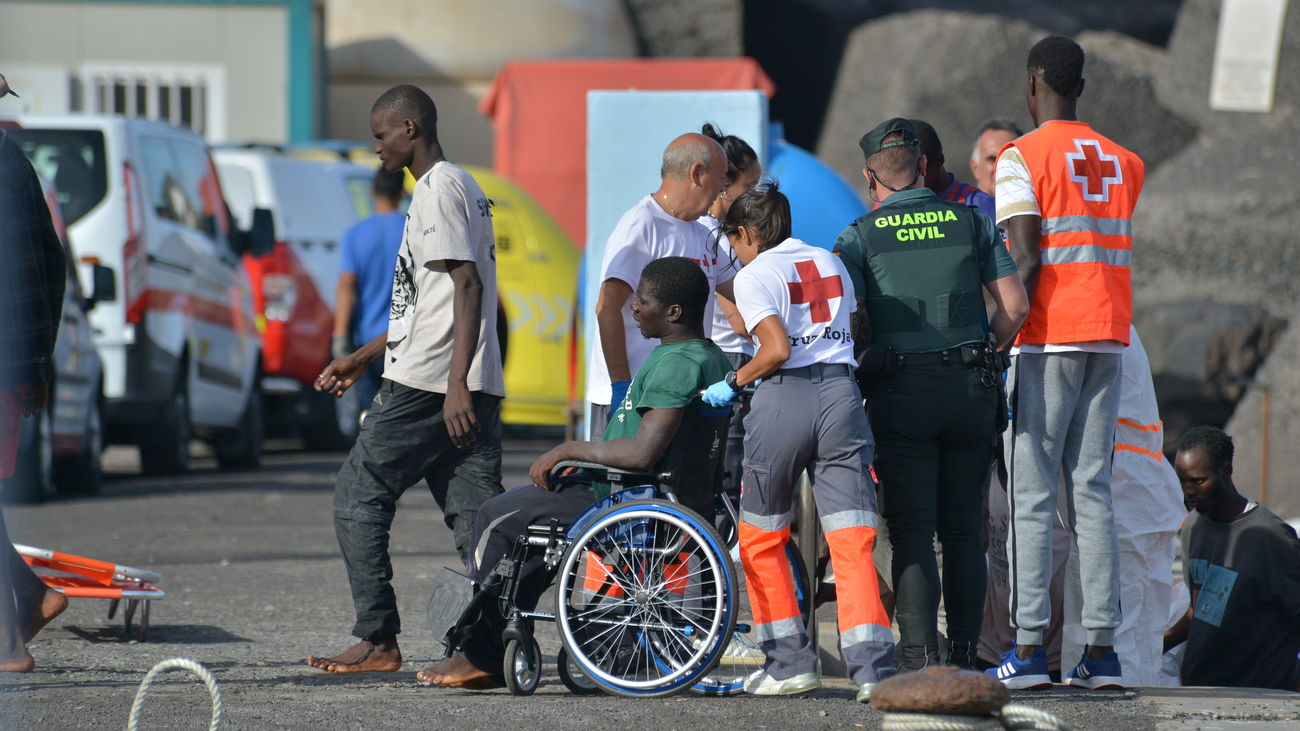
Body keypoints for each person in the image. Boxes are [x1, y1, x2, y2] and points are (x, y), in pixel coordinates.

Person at [417, 256, 731, 688]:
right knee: (529, 529)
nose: (634, 307)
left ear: (674, 312)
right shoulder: (708, 356)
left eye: (643, 300)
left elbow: (643, 452)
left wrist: (567, 450)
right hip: (649, 494)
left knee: (497, 517)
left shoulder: (676, 364)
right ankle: (503, 637)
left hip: (622, 493)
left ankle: (481, 652)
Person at [307, 84, 505, 675]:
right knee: (477, 522)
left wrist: (453, 385)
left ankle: (378, 638)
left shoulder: (436, 190)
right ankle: (486, 653)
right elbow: (426, 303)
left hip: (430, 386)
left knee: (357, 497)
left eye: (381, 134)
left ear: (411, 129)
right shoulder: (463, 184)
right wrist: (364, 356)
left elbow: (467, 285)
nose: (376, 147)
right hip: (464, 380)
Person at [834, 118, 1027, 673]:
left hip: (900, 393)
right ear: (923, 167)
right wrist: (983, 350)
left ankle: (919, 655)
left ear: (871, 175)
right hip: (971, 389)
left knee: (913, 528)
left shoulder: (858, 237)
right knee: (965, 528)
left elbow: (846, 324)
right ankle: (967, 656)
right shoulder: (972, 220)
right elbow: (1015, 306)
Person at [988, 35, 1144, 691]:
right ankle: (1100, 654)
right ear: (1078, 86)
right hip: (1109, 334)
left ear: (1034, 85)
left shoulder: (1021, 157)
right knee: (1094, 494)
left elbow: (1025, 260)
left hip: (1047, 338)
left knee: (1031, 497)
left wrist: (994, 339)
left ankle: (1027, 649)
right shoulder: (1125, 161)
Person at [702, 184, 896, 701]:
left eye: (734, 243)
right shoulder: (830, 263)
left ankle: (789, 663)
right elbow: (851, 327)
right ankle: (873, 670)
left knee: (762, 537)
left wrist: (733, 382)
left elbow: (775, 349)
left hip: (783, 400)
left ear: (747, 233)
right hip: (842, 398)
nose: (735, 254)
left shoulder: (755, 274)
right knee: (852, 539)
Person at [1060, 325, 1186, 686]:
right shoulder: (1119, 329)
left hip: (1123, 497)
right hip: (1136, 494)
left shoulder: (1096, 329)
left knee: (1117, 623)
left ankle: (1117, 703)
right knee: (1136, 623)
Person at [585, 133, 728, 437]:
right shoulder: (641, 225)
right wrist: (621, 387)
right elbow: (606, 308)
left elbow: (742, 294)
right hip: (634, 398)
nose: (720, 193)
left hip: (677, 394)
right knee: (619, 484)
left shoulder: (703, 233)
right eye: (720, 181)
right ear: (697, 173)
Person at [0, 112, 70, 672]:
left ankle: (6, 646)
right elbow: (52, 263)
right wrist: (35, 364)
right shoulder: (13, 162)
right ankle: (33, 596)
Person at [1165, 426, 1300, 691]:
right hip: (1199, 691)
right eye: (1183, 481)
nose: (1189, 491)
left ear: (1226, 472)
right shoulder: (1193, 526)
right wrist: (1153, 647)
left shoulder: (1270, 538)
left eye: (1198, 480)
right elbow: (1199, 608)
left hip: (1258, 696)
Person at [697, 123, 762, 498]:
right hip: (731, 360)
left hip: (732, 357)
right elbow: (739, 318)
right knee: (730, 471)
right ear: (725, 183)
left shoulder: (718, 232)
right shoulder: (716, 237)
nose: (753, 196)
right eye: (748, 187)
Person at [332, 167, 408, 414]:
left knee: (370, 414)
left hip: (366, 342)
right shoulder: (411, 231)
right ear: (402, 193)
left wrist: (340, 336)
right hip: (406, 342)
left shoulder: (355, 234)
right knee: (400, 414)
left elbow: (346, 287)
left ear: (372, 191)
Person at [910, 119, 995, 221]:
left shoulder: (981, 207)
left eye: (918, 171)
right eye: (900, 172)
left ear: (939, 161)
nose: (908, 181)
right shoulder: (891, 208)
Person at [969, 118, 1023, 196]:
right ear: (975, 168)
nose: (1001, 166)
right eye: (993, 159)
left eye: (1009, 158)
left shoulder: (1040, 207)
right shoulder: (959, 207)